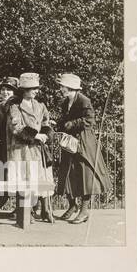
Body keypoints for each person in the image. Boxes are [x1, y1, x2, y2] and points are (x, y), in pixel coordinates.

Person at [51, 73, 110, 224]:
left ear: (70, 87)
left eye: (62, 86)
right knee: (67, 174)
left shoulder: (84, 100)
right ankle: (72, 206)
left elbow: (90, 121)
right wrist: (57, 123)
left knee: (85, 176)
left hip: (83, 143)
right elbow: (65, 119)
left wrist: (73, 123)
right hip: (69, 143)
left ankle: (84, 211)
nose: (60, 89)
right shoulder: (66, 102)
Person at [6, 72, 56, 227]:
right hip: (21, 149)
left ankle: (37, 210)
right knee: (24, 179)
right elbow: (16, 128)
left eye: (36, 88)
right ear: (24, 90)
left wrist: (46, 134)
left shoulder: (40, 106)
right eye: (32, 88)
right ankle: (26, 214)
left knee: (36, 179)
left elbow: (46, 122)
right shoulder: (15, 107)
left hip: (36, 149)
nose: (36, 91)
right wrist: (35, 135)